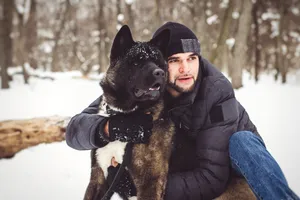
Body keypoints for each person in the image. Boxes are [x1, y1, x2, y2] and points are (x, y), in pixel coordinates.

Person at [66, 22, 299, 200]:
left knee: (243, 141)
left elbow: (212, 179)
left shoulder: (217, 94)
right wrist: (107, 127)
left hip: (237, 176)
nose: (186, 68)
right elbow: (77, 128)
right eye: (175, 60)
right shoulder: (146, 88)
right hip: (188, 172)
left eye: (192, 58)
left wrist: (143, 184)